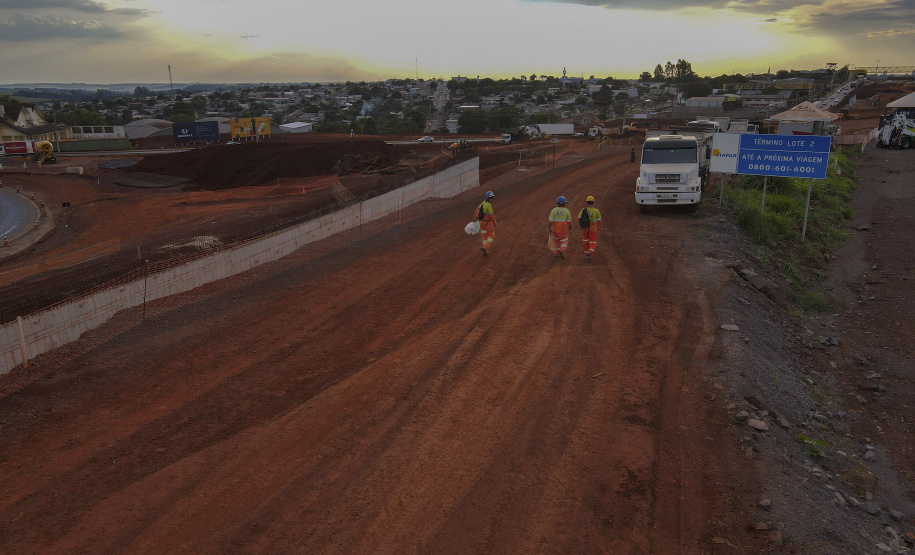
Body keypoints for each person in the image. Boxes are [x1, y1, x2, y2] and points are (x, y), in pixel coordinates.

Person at [578, 195, 603, 263]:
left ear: (587, 202)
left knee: (585, 241)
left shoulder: (583, 210)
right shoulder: (596, 211)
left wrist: (583, 223)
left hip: (585, 228)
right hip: (593, 228)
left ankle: (586, 255)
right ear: (593, 202)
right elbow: (599, 221)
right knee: (593, 242)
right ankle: (590, 252)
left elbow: (578, 217)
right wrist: (600, 227)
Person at [477, 191, 496, 255]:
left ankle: (485, 249)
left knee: (484, 235)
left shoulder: (483, 203)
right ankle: (485, 247)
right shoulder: (488, 205)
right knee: (492, 235)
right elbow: (492, 216)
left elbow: (477, 209)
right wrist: (495, 223)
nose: (492, 199)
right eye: (491, 198)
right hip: (487, 222)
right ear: (489, 198)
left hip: (481, 222)